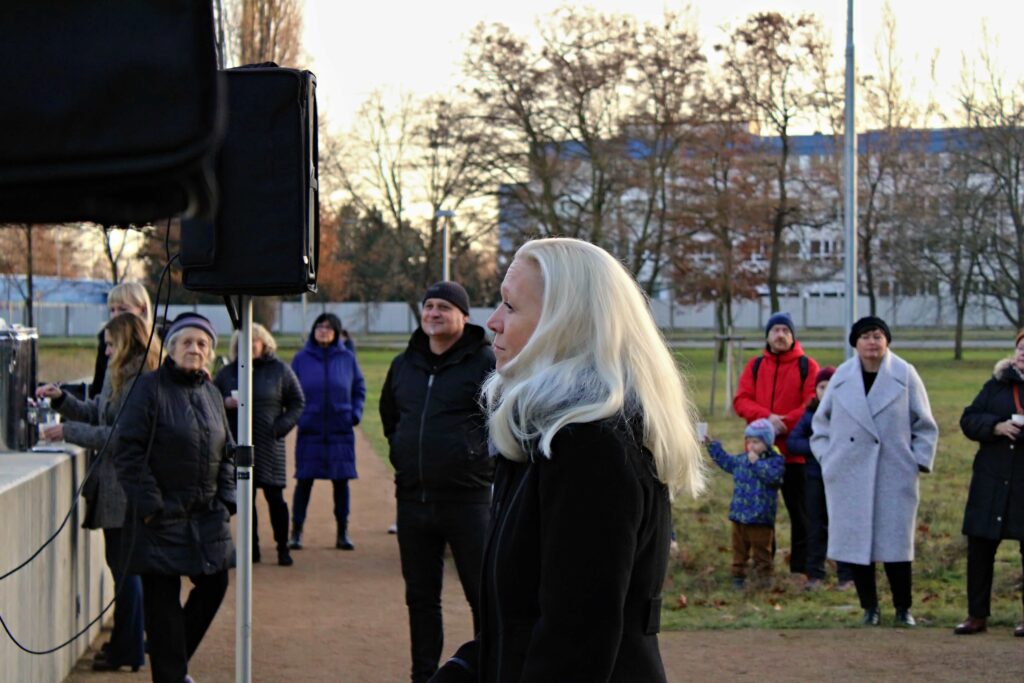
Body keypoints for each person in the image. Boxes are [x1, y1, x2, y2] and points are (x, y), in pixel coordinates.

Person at [429, 238, 705, 683]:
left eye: (510, 306)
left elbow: (574, 645)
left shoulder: (591, 449)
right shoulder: (545, 436)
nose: (493, 322)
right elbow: (518, 623)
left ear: (565, 324)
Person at [380, 281, 495, 683]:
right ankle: (423, 677)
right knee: (420, 598)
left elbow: (503, 420)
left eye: (444, 307)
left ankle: (489, 672)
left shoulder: (486, 364)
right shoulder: (404, 364)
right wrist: (402, 453)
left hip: (468, 501)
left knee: (483, 596)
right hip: (413, 500)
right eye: (429, 306)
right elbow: (390, 417)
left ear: (464, 316)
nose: (433, 313)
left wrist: (473, 458)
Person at [114, 312, 235, 683]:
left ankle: (172, 662)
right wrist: (151, 507)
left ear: (210, 352)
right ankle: (172, 674)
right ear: (171, 348)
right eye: (186, 342)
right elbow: (128, 450)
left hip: (205, 515)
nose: (194, 349)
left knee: (215, 583)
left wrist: (226, 499)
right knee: (162, 604)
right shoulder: (147, 389)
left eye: (202, 343)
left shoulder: (211, 394)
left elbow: (228, 451)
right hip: (159, 517)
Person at [36, 312, 160, 672]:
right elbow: (99, 414)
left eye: (109, 345)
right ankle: (125, 645)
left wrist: (67, 432)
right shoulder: (119, 373)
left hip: (125, 489)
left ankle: (128, 650)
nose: (104, 352)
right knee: (121, 569)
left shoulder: (140, 379)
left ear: (126, 342)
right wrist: (62, 400)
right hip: (113, 486)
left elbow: (121, 435)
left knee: (126, 572)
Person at [810, 316, 938, 627]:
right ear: (855, 343)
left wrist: (917, 461)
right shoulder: (841, 378)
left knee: (897, 547)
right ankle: (870, 607)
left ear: (887, 341)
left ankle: (903, 608)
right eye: (866, 336)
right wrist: (829, 460)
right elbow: (821, 426)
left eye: (878, 336)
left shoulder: (905, 374)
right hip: (849, 474)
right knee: (857, 547)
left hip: (893, 473)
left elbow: (925, 424)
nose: (872, 342)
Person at [733, 312, 819, 578]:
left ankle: (801, 569)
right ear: (767, 336)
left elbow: (812, 402)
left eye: (785, 331)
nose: (780, 335)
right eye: (775, 330)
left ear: (793, 336)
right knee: (760, 514)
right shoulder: (755, 366)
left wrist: (785, 423)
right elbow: (741, 400)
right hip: (759, 457)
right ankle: (763, 566)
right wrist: (766, 420)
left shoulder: (807, 366)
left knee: (801, 514)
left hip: (795, 455)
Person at [214, 323, 305, 566]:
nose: (249, 346)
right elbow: (210, 400)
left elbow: (297, 402)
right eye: (243, 342)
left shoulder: (280, 370)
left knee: (276, 499)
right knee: (246, 500)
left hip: (269, 446)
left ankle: (282, 547)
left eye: (254, 341)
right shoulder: (227, 373)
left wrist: (279, 428)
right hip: (238, 445)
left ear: (264, 344)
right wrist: (224, 402)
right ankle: (251, 549)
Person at [954, 329, 1024, 637]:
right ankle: (977, 615)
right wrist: (996, 426)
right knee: (980, 548)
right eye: (1020, 348)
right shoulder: (996, 385)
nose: (1023, 353)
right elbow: (968, 419)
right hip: (991, 481)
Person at [289, 313, 366, 551]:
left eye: (329, 327)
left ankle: (343, 532)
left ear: (337, 332)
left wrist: (354, 414)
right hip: (310, 429)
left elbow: (359, 388)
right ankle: (296, 532)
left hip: (339, 429)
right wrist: (298, 416)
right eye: (319, 327)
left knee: (341, 483)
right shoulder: (301, 359)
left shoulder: (347, 358)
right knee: (304, 482)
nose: (323, 331)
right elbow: (290, 390)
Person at [787, 366, 855, 591]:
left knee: (841, 526)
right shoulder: (809, 415)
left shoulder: (848, 413)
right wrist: (818, 447)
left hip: (842, 478)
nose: (826, 391)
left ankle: (846, 575)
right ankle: (815, 574)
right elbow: (793, 442)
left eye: (830, 386)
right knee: (816, 526)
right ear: (815, 390)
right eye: (821, 387)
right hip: (815, 478)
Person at [707, 418, 785, 589]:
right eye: (749, 442)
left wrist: (756, 463)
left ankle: (764, 579)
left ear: (767, 443)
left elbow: (774, 478)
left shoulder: (775, 461)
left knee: (762, 551)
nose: (751, 446)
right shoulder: (742, 460)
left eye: (756, 442)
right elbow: (727, 462)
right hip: (739, 515)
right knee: (739, 549)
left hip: (760, 517)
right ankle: (738, 577)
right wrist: (712, 446)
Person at [91, 281, 154, 398]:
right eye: (112, 310)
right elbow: (98, 389)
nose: (116, 315)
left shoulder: (158, 342)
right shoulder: (106, 342)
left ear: (143, 310)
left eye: (123, 309)